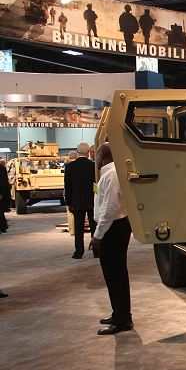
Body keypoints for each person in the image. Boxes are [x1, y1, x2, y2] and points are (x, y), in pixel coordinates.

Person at [92, 143, 133, 335]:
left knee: (115, 275)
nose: (95, 159)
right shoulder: (111, 173)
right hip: (115, 227)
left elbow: (109, 210)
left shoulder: (111, 175)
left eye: (97, 155)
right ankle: (119, 314)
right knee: (115, 275)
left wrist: (98, 235)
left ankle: (122, 320)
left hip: (112, 229)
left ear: (103, 157)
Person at [64, 142, 96, 259]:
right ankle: (96, 251)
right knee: (94, 226)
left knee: (78, 228)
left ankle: (79, 252)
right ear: (88, 153)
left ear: (77, 152)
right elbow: (96, 185)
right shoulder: (93, 166)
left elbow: (68, 187)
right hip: (92, 201)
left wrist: (69, 202)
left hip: (76, 202)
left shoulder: (70, 167)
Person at [0, 158, 9, 233]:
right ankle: (3, 226)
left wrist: (2, 193)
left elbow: (3, 182)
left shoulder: (1, 168)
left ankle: (3, 227)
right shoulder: (2, 168)